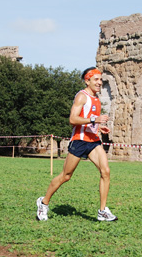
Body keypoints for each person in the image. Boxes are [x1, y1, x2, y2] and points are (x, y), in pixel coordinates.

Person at [36, 67, 117, 222]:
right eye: (96, 80)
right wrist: (95, 120)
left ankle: (102, 211)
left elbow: (89, 120)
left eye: (101, 80)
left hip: (93, 140)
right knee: (66, 176)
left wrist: (99, 127)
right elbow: (73, 120)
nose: (100, 83)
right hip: (79, 141)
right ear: (87, 81)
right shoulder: (81, 96)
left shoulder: (96, 99)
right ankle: (43, 202)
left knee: (105, 171)